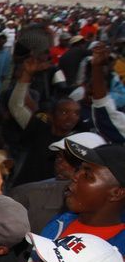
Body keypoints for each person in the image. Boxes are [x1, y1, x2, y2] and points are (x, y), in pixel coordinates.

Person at [8, 132, 107, 233]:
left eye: (71, 160)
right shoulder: (27, 196)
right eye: (59, 156)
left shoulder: (108, 215)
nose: (60, 163)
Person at [8, 57, 82, 186]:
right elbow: (16, 106)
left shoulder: (77, 142)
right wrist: (27, 74)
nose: (71, 117)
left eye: (76, 113)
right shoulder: (39, 126)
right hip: (24, 191)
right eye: (64, 112)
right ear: (52, 115)